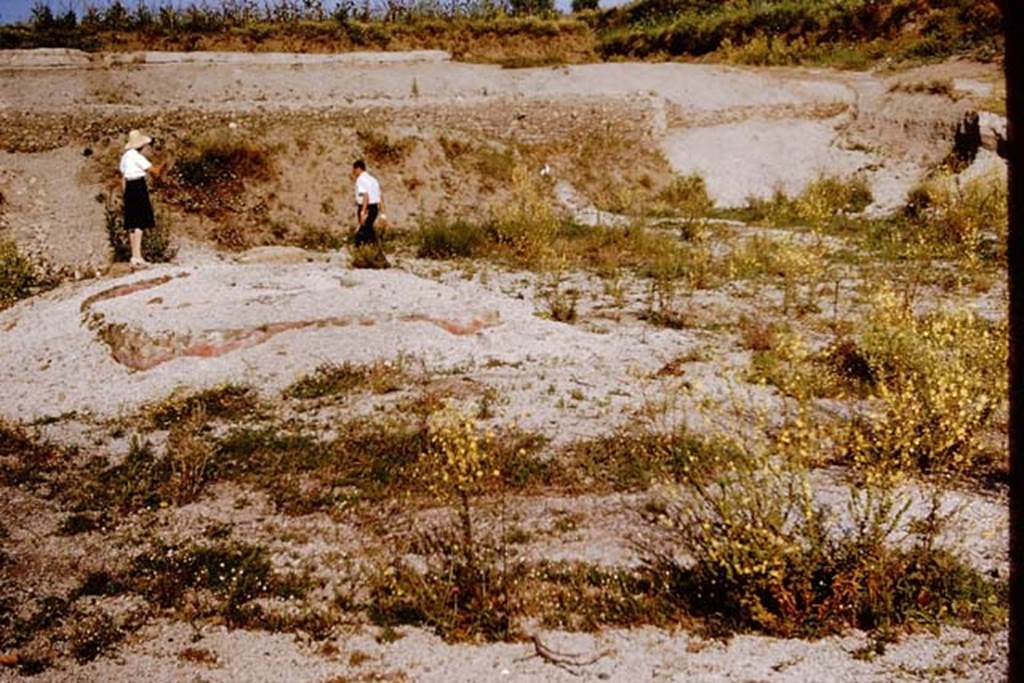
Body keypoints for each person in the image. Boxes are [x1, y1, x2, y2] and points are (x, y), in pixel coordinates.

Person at [119, 130, 162, 268]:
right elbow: (153, 171)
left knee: (131, 223)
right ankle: (138, 256)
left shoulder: (125, 157)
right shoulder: (136, 156)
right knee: (140, 222)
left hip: (129, 188)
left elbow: (123, 175)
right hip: (138, 186)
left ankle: (134, 255)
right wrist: (162, 166)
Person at [351, 159, 385, 246]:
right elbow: (380, 196)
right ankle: (374, 247)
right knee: (368, 229)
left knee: (363, 230)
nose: (354, 172)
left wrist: (363, 212)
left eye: (354, 170)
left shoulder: (361, 180)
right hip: (374, 208)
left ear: (358, 168)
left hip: (366, 207)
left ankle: (361, 249)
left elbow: (366, 196)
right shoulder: (373, 180)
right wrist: (383, 214)